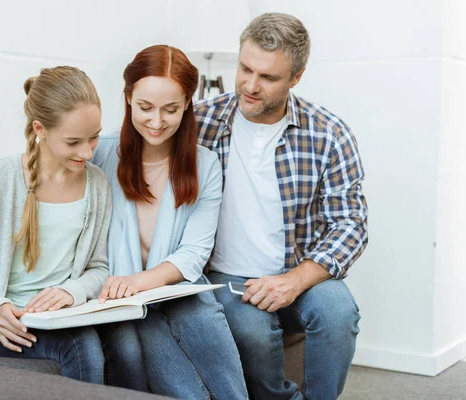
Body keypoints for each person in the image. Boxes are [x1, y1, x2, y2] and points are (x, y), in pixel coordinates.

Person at [195, 13, 368, 400]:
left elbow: (351, 224)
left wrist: (295, 281)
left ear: (296, 77)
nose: (250, 86)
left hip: (298, 273)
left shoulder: (329, 134)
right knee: (252, 331)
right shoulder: (199, 123)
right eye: (244, 68)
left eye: (268, 77)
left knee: (339, 313)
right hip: (226, 277)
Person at [91, 45, 248, 399]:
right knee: (185, 388)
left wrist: (140, 281)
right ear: (128, 97)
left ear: (188, 105)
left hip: (175, 287)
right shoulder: (99, 153)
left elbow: (194, 252)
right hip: (123, 301)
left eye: (171, 109)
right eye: (145, 108)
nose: (157, 122)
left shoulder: (204, 164)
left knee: (208, 330)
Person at [0, 66, 112, 384]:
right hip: (5, 326)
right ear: (40, 128)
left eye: (94, 138)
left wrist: (71, 290)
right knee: (83, 346)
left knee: (124, 344)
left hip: (64, 318)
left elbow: (99, 268)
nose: (88, 152)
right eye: (74, 141)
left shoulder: (98, 184)